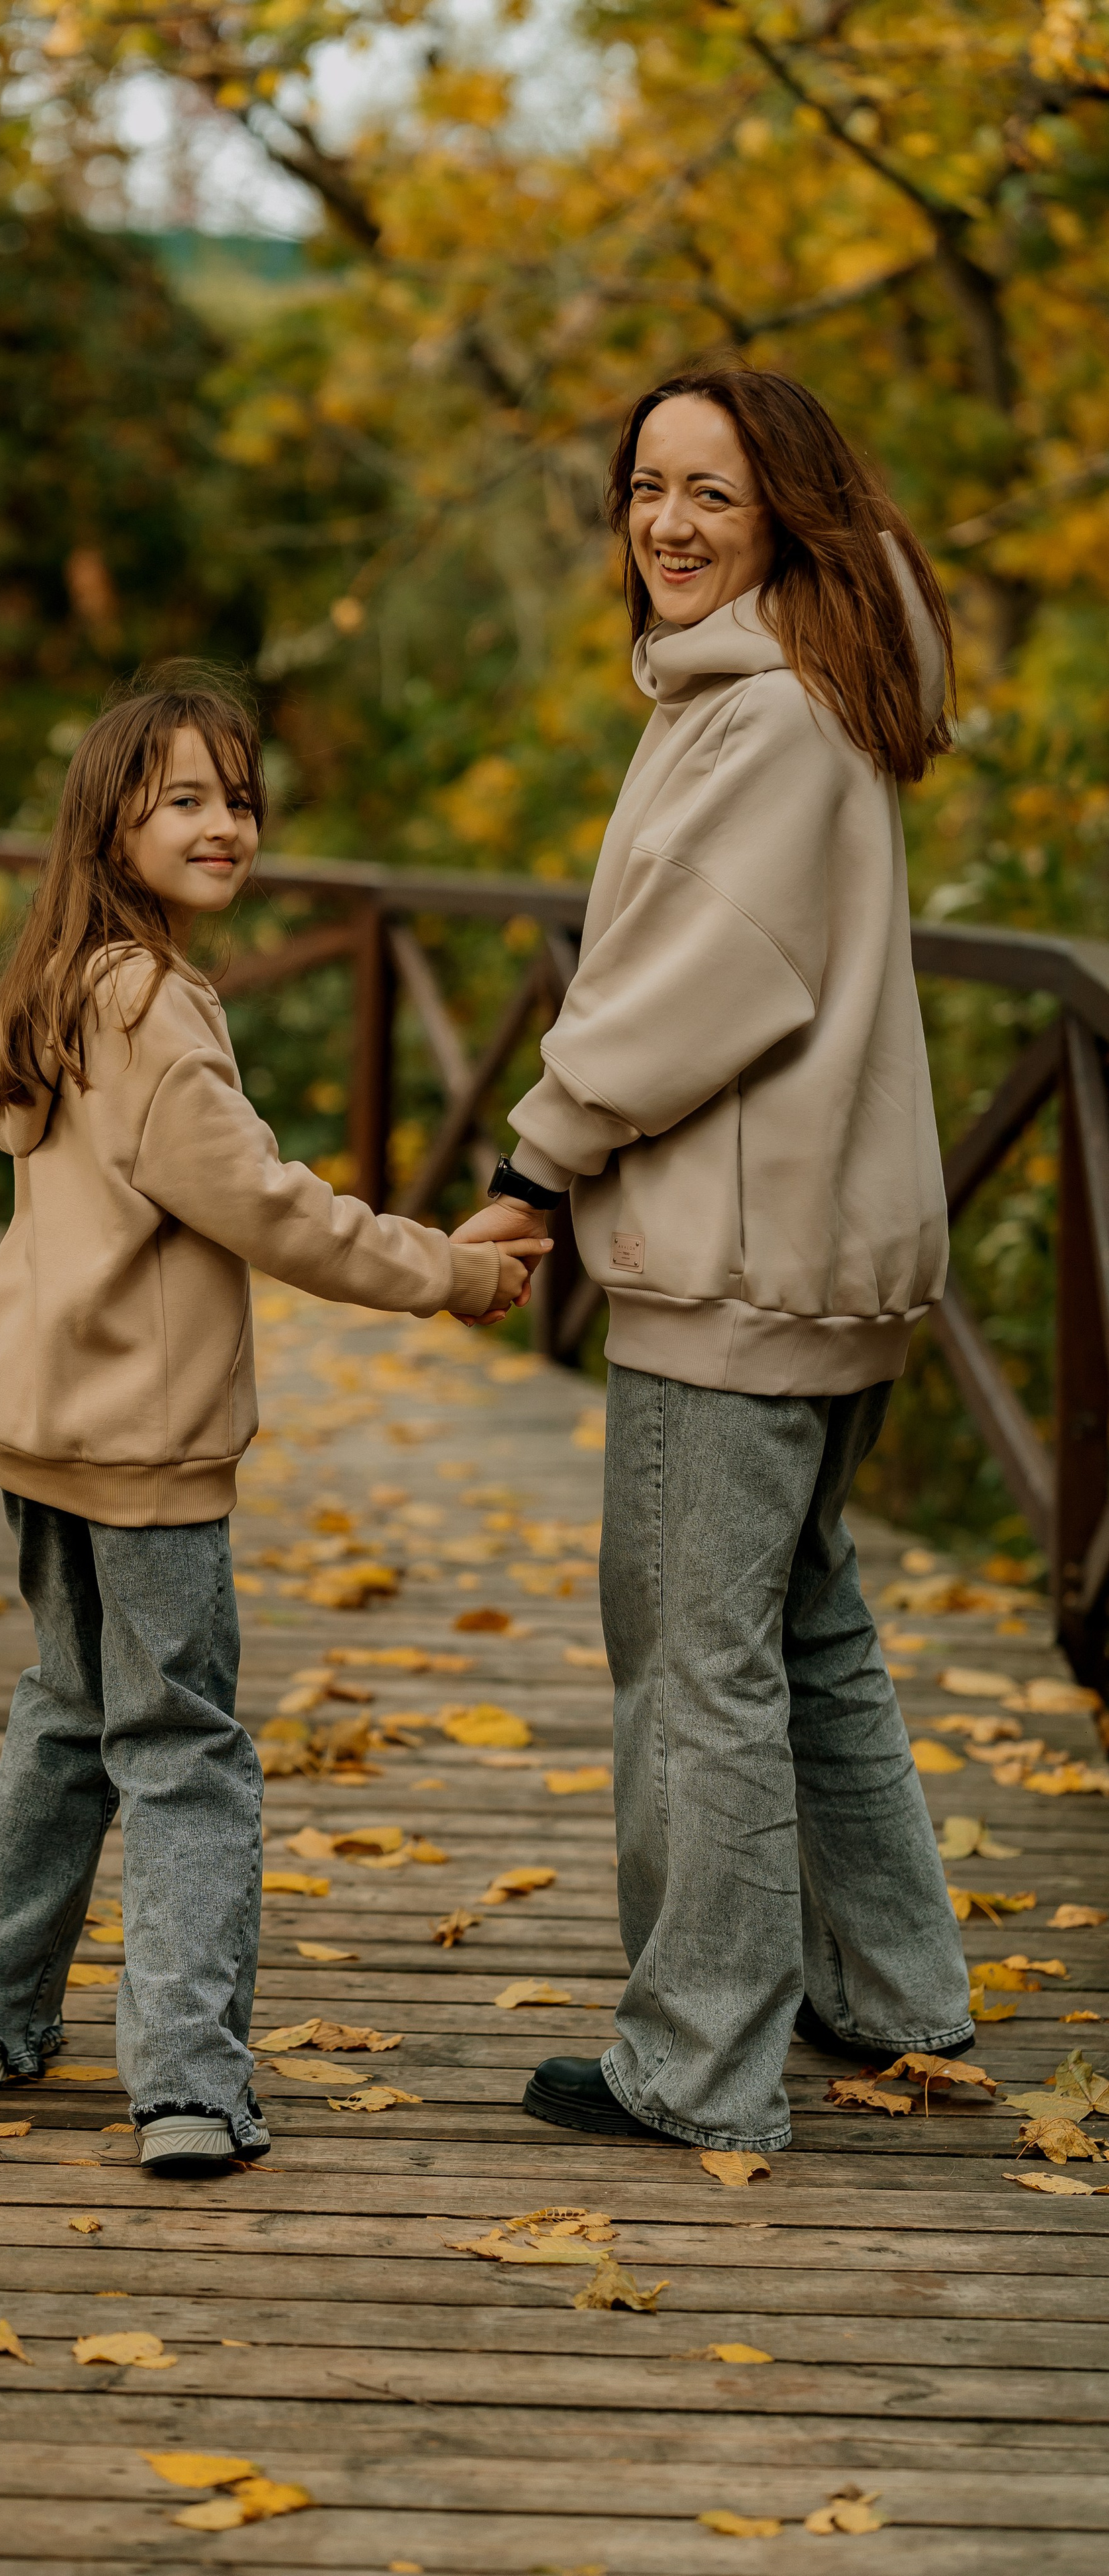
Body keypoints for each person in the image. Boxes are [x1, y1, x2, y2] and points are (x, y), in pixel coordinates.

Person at [455, 368, 975, 2155]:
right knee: (802, 1626)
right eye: (645, 487)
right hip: (815, 1245)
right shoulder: (798, 685)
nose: (667, 524)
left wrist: (534, 1161)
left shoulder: (767, 717)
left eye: (711, 495)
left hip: (739, 1259)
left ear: (784, 518)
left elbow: (691, 987)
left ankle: (696, 2062)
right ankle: (891, 1992)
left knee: (693, 1660)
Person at [0, 665, 543, 2174]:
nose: (227, 827)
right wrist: (452, 1271)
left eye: (241, 800)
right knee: (183, 1744)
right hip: (144, 1442)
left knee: (68, 1707)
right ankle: (189, 2087)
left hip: (39, 1422)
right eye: (187, 801)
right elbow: (268, 1208)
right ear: (112, 827)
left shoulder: (56, 986)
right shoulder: (154, 1006)